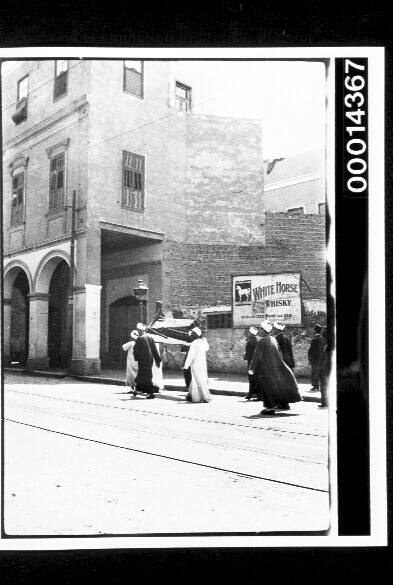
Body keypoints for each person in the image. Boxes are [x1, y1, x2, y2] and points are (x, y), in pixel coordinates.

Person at [248, 320, 302, 415]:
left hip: (266, 370)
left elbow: (257, 356)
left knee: (267, 389)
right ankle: (280, 404)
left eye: (260, 328)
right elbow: (280, 355)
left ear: (264, 330)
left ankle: (269, 408)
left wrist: (252, 369)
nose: (259, 330)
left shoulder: (263, 341)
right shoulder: (273, 339)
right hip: (275, 368)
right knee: (275, 388)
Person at [133, 322, 162, 399]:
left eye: (138, 330)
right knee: (144, 375)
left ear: (140, 330)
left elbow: (136, 350)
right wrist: (158, 360)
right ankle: (137, 389)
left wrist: (136, 358)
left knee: (145, 376)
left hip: (142, 361)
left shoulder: (140, 338)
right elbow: (154, 350)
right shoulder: (150, 338)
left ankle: (150, 393)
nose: (137, 331)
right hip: (150, 361)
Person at [183, 327, 211, 403]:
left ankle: (202, 397)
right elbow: (206, 348)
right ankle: (190, 395)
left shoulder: (194, 343)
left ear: (196, 335)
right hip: (202, 364)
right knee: (199, 379)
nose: (191, 336)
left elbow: (190, 356)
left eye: (192, 334)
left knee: (197, 380)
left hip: (195, 364)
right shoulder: (203, 342)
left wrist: (186, 366)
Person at [273, 321, 296, 410]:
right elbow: (291, 353)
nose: (273, 330)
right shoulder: (287, 339)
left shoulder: (276, 339)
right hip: (288, 365)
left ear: (277, 329)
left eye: (274, 329)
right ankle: (285, 403)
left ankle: (282, 403)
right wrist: (292, 365)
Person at [243, 326, 260, 400]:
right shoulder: (258, 341)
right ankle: (258, 395)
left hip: (251, 363)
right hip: (257, 364)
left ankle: (250, 394)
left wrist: (244, 355)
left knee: (251, 379)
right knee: (256, 379)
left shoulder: (249, 342)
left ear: (251, 333)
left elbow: (248, 355)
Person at [122, 329, 140, 396]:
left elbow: (124, 347)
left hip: (131, 361)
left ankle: (133, 388)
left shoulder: (131, 343)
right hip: (137, 361)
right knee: (137, 374)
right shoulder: (139, 343)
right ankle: (136, 388)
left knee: (131, 375)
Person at [308, 324, 325, 392]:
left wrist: (309, 358)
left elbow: (311, 350)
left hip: (315, 359)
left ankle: (315, 386)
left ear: (315, 331)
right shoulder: (322, 338)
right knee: (319, 372)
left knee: (314, 372)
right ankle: (318, 385)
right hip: (321, 358)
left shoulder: (314, 339)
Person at [319, 328, 330, 408]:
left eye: (323, 337)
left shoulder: (327, 346)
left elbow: (326, 360)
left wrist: (322, 370)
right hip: (327, 369)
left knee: (324, 387)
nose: (322, 338)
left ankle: (324, 402)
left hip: (326, 370)